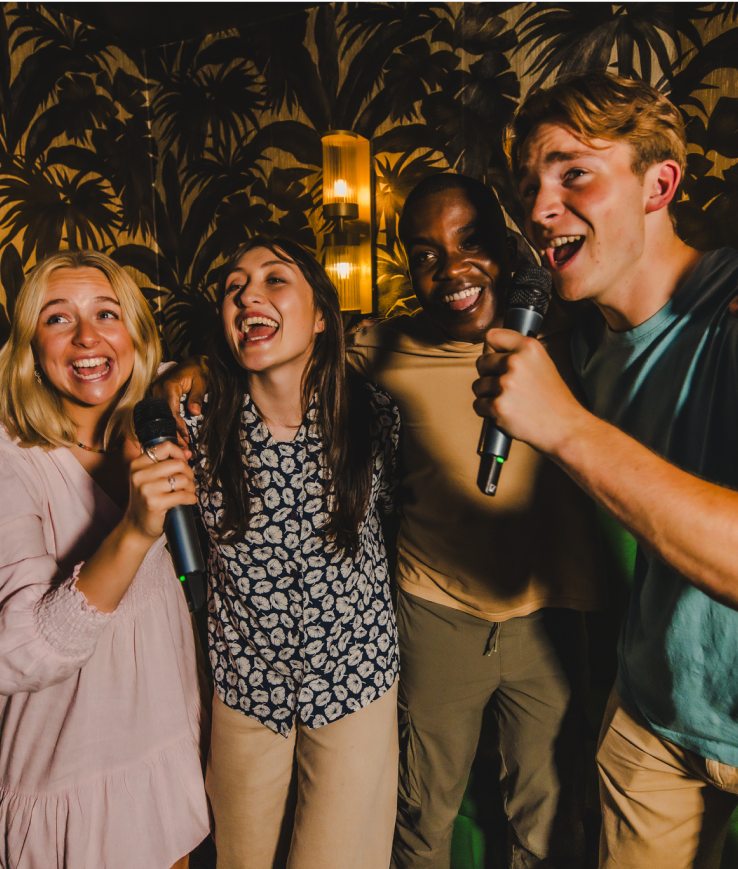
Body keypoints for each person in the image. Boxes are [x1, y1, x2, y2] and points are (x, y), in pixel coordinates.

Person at [158, 184, 605, 869]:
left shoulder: (570, 335)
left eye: (470, 243)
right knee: (420, 817)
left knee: (548, 819)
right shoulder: (356, 371)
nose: (451, 268)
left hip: (493, 634)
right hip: (347, 652)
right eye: (426, 255)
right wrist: (185, 371)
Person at [473, 71, 738, 869]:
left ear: (660, 183)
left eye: (572, 172)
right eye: (530, 185)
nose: (538, 207)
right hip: (652, 718)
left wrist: (563, 426)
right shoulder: (582, 346)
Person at [181, 237, 401, 869]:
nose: (249, 294)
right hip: (247, 692)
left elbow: (388, 525)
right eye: (233, 287)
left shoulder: (373, 416)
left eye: (276, 280)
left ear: (321, 315)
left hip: (354, 681)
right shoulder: (196, 424)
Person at [0, 250, 209, 869]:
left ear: (135, 335)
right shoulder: (14, 458)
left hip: (166, 758)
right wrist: (136, 530)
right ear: (31, 347)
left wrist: (190, 372)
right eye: (59, 319)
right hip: (73, 788)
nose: (88, 337)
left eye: (107, 314)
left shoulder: (151, 413)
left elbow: (216, 368)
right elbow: (17, 653)